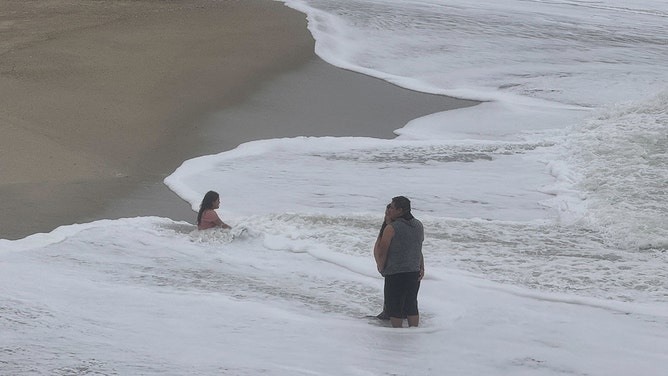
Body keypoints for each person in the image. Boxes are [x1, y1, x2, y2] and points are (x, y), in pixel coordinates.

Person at [374, 196, 424, 328]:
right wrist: (422, 267)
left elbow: (381, 250)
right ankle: (414, 334)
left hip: (395, 272)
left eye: (391, 207)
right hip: (414, 271)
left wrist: (381, 266)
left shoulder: (391, 228)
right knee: (411, 305)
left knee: (394, 307)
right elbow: (418, 248)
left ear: (400, 210)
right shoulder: (418, 225)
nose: (389, 209)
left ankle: (397, 338)